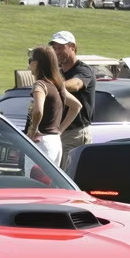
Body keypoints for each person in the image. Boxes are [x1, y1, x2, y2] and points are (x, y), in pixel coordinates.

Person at [25, 45, 81, 166]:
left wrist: (34, 128)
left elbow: (38, 111)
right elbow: (76, 106)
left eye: (30, 61)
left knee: (34, 178)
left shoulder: (40, 85)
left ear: (36, 64)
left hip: (41, 142)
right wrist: (60, 130)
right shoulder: (57, 85)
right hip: (55, 141)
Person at [49, 30, 95, 164]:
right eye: (55, 48)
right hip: (59, 132)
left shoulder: (84, 70)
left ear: (73, 47)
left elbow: (76, 85)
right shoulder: (58, 73)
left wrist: (51, 87)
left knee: (67, 173)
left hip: (75, 134)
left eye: (61, 47)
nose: (57, 51)